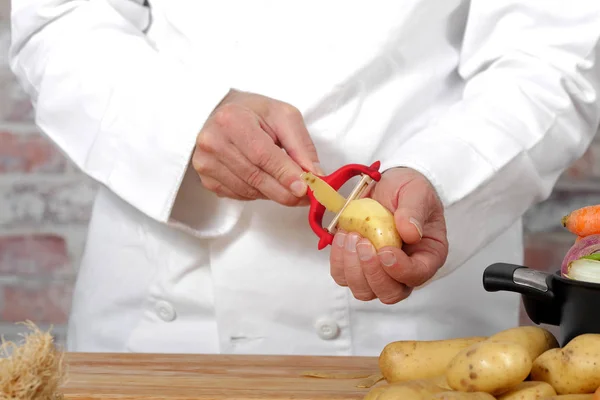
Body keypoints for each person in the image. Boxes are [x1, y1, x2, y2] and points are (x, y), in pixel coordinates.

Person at [8, 0, 600, 355]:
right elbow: (60, 18)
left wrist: (443, 178)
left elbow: (550, 58)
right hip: (161, 314)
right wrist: (182, 121)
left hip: (415, 322)